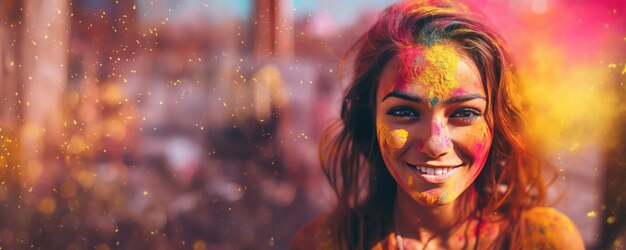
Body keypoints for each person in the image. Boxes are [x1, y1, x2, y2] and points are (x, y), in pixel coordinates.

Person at [291, 0, 585, 249]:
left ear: (497, 121)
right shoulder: (321, 242)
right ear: (371, 118)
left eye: (464, 113)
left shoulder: (543, 239)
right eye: (405, 112)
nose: (435, 144)